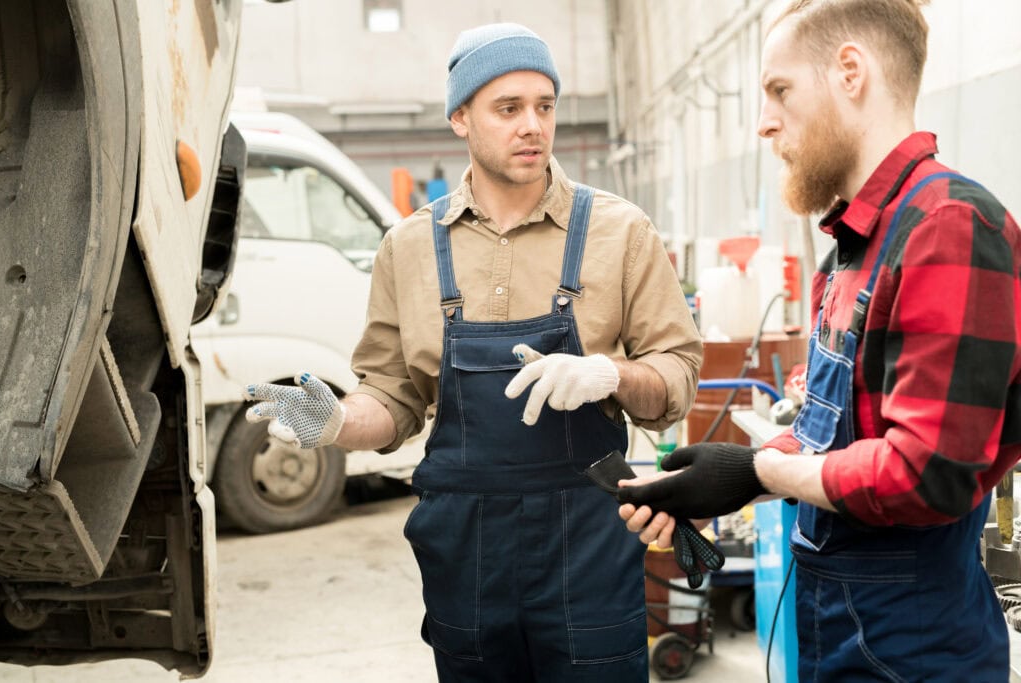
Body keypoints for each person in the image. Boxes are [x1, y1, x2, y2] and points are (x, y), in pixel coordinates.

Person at [243, 22, 703, 682]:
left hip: (587, 548)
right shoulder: (406, 248)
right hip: (467, 552)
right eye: (508, 108)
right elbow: (395, 398)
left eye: (545, 106)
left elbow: (677, 375)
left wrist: (611, 372)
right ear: (461, 116)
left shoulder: (619, 232)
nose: (532, 127)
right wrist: (340, 421)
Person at [618, 1, 1020, 680]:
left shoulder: (948, 226)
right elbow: (824, 437)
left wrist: (758, 472)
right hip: (835, 627)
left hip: (915, 649)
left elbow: (926, 473)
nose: (764, 121)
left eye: (780, 90)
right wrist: (716, 478)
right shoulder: (851, 252)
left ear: (850, 73)